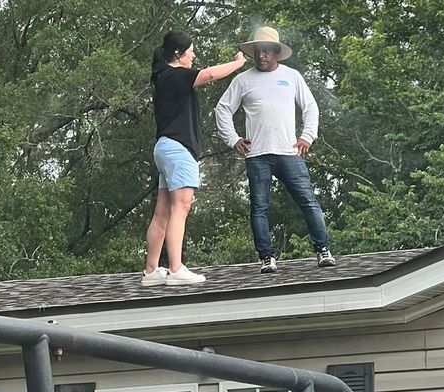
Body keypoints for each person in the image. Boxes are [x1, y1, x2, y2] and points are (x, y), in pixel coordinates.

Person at [215, 26, 336, 274]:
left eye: (267, 52)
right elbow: (222, 109)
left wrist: (307, 137)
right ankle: (266, 257)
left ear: (276, 53)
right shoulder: (243, 80)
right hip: (257, 153)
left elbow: (311, 107)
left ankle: (323, 250)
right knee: (259, 206)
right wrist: (233, 139)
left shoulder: (291, 76)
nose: (262, 56)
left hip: (288, 151)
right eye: (258, 51)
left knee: (307, 201)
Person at [142, 31, 246, 286]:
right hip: (178, 149)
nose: (194, 55)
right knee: (182, 206)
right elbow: (209, 74)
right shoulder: (175, 75)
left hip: (165, 148)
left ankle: (152, 271)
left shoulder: (164, 77)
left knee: (163, 212)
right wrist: (239, 63)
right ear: (178, 54)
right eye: (190, 51)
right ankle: (176, 269)